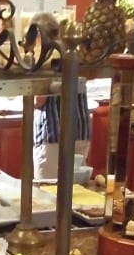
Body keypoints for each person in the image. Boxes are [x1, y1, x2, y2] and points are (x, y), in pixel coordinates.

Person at [31, 12, 91, 180]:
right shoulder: (71, 52)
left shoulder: (43, 57)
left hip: (52, 132)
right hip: (81, 131)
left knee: (46, 189)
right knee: (75, 187)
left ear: (37, 34)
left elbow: (39, 100)